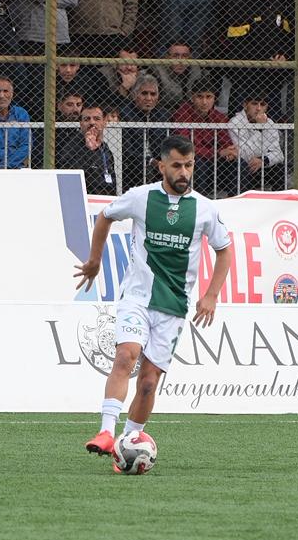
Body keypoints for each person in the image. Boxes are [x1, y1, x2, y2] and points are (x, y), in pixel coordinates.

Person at [74, 135, 233, 468]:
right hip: (137, 298)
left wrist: (211, 295)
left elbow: (224, 250)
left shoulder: (205, 209)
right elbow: (104, 216)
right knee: (125, 355)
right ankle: (105, 432)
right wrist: (94, 261)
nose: (184, 172)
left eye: (188, 165)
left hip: (173, 306)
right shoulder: (141, 198)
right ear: (161, 166)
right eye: (176, 165)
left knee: (148, 383)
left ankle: (128, 443)